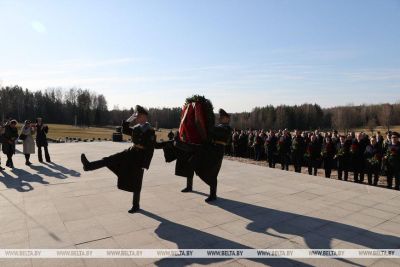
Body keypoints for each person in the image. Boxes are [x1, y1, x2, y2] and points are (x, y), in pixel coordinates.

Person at [81, 105, 158, 213]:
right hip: (130, 152)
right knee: (109, 159)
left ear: (144, 117)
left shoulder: (150, 131)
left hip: (140, 157)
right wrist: (130, 119)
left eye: (138, 116)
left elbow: (150, 149)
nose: (136, 118)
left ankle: (136, 205)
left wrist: (145, 163)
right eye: (136, 116)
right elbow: (125, 129)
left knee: (137, 181)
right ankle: (89, 166)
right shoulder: (136, 128)